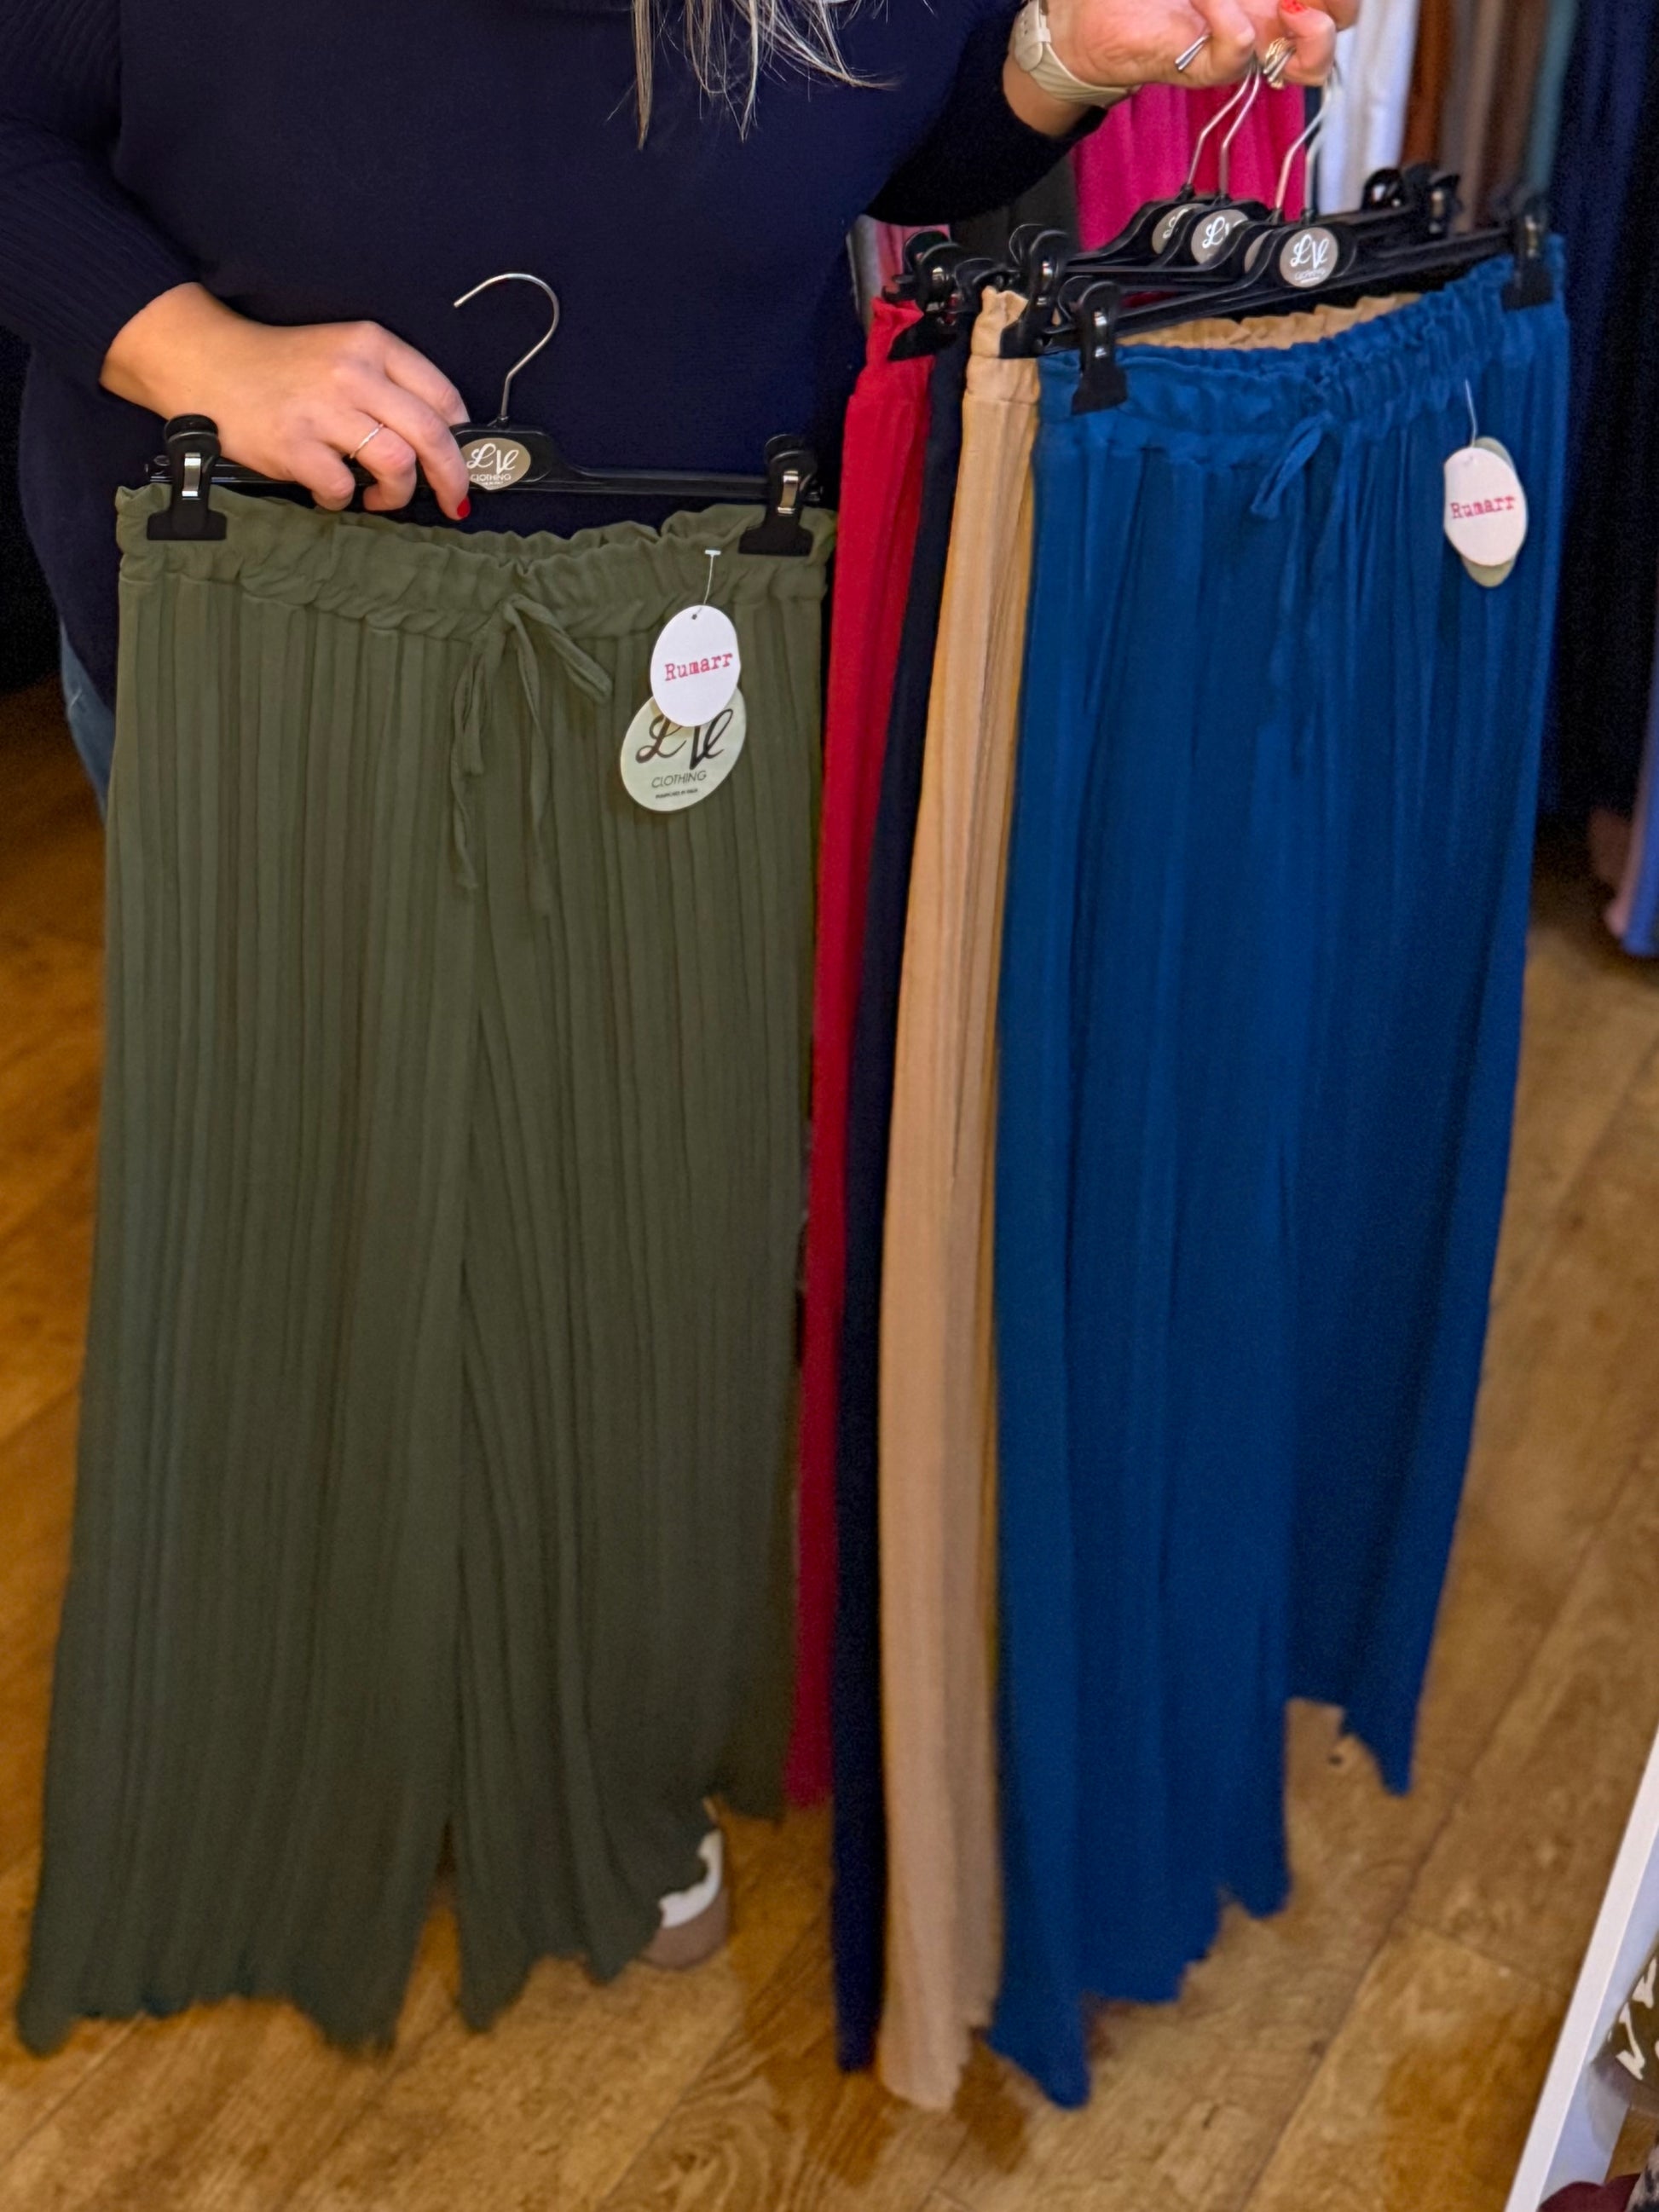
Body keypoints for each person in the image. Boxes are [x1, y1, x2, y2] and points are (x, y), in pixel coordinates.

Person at [0, 0, 1349, 803]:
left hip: (709, 648)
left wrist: (1058, 59)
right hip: (264, 659)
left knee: (655, 1112)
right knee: (311, 1113)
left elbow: (902, 144)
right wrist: (193, 353)